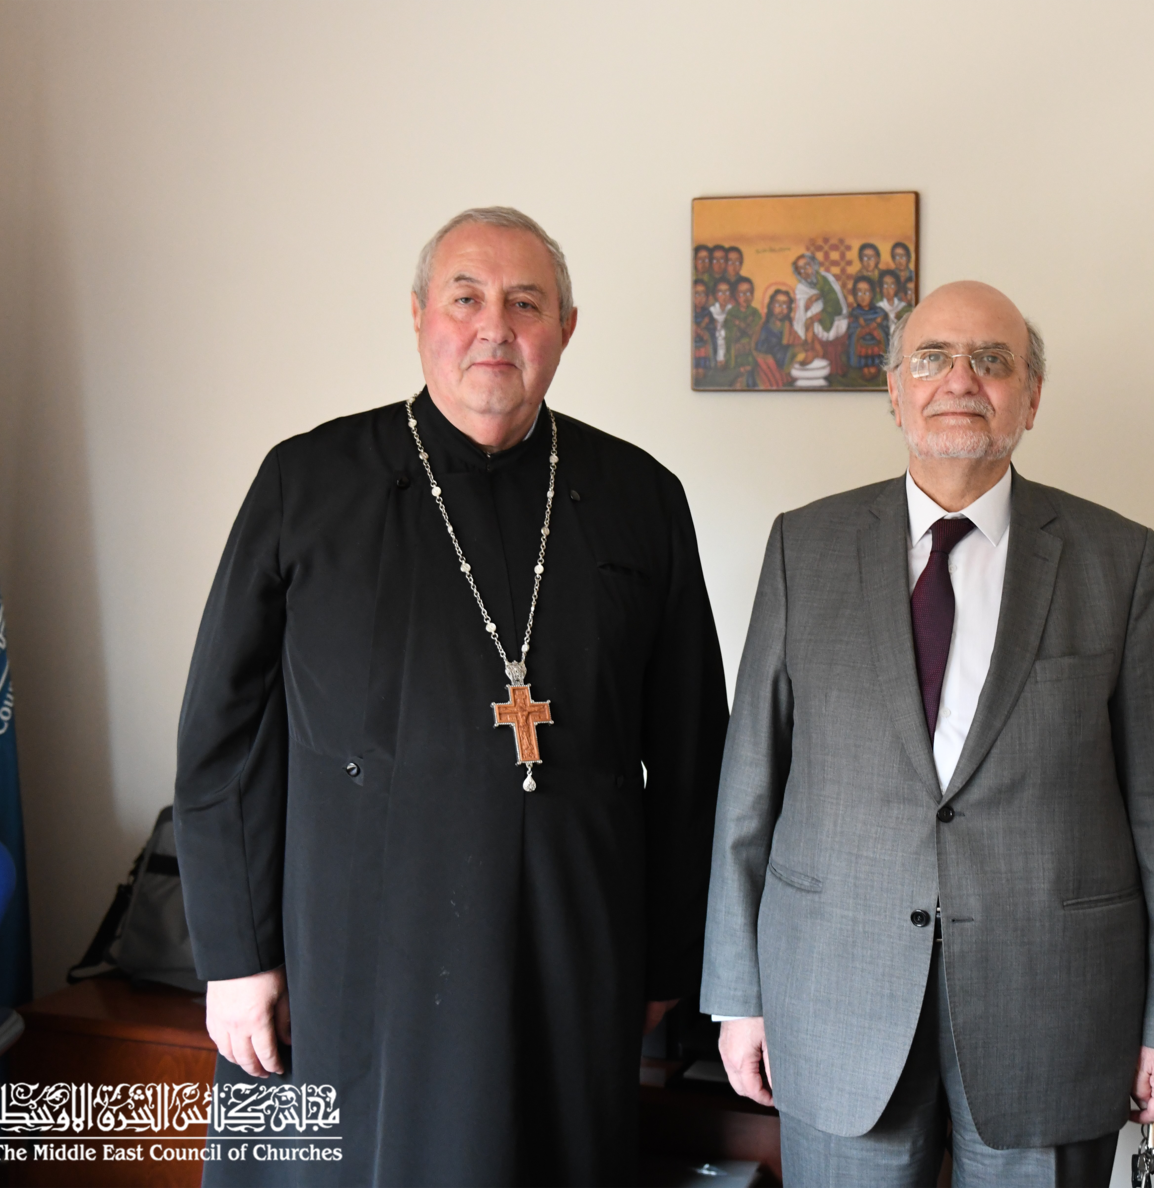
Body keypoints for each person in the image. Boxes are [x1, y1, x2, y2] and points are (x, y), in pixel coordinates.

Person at [176, 206, 729, 1188]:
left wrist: (664, 966)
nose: (494, 327)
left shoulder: (642, 497)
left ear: (565, 326)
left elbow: (694, 761)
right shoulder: (306, 483)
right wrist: (234, 955)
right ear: (420, 314)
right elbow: (223, 738)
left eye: (526, 304)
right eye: (466, 298)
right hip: (346, 955)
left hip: (566, 958)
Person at [702, 280, 1154, 1187]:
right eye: (932, 358)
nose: (960, 380)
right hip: (836, 998)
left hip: (1052, 1009)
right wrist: (737, 997)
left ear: (1032, 397)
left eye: (993, 360)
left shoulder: (1119, 560)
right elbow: (749, 789)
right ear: (896, 390)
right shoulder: (802, 548)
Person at [791, 252, 849, 372]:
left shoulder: (826, 278)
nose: (805, 271)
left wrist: (816, 298)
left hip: (836, 321)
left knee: (810, 314)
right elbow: (801, 311)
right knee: (805, 308)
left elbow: (836, 304)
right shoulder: (801, 287)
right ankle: (812, 348)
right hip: (818, 325)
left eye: (807, 266)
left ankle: (811, 350)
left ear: (814, 265)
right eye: (800, 270)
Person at [753, 288, 820, 388]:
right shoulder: (768, 328)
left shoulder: (787, 325)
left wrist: (804, 344)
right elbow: (773, 350)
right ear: (771, 306)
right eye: (778, 304)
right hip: (771, 360)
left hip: (786, 357)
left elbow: (796, 339)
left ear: (789, 309)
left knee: (810, 354)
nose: (781, 309)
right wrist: (796, 349)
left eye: (785, 306)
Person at [845, 274, 888, 381]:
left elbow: (885, 334)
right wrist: (872, 326)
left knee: (873, 372)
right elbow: (852, 333)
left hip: (876, 350)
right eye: (859, 292)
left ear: (872, 294)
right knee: (865, 373)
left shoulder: (880, 313)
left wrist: (873, 327)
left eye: (866, 292)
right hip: (861, 350)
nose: (862, 296)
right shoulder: (854, 314)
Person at [725, 276, 762, 388]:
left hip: (751, 352)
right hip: (737, 353)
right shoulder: (732, 313)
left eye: (749, 293)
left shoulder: (755, 313)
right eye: (741, 294)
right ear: (735, 296)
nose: (746, 297)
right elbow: (729, 334)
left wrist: (741, 324)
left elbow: (757, 333)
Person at [693, 278, 714, 384]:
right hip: (692, 347)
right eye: (697, 294)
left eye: (703, 295)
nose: (700, 298)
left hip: (703, 346)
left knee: (702, 372)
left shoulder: (707, 313)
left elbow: (711, 329)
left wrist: (704, 331)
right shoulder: (689, 312)